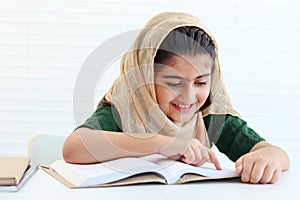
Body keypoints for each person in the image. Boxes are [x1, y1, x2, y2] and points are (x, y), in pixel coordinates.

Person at [62, 12, 289, 184]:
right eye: (173, 83)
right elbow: (73, 148)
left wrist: (269, 158)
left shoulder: (209, 116)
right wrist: (163, 144)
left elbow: (275, 153)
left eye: (201, 83)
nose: (189, 97)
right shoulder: (125, 106)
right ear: (145, 78)